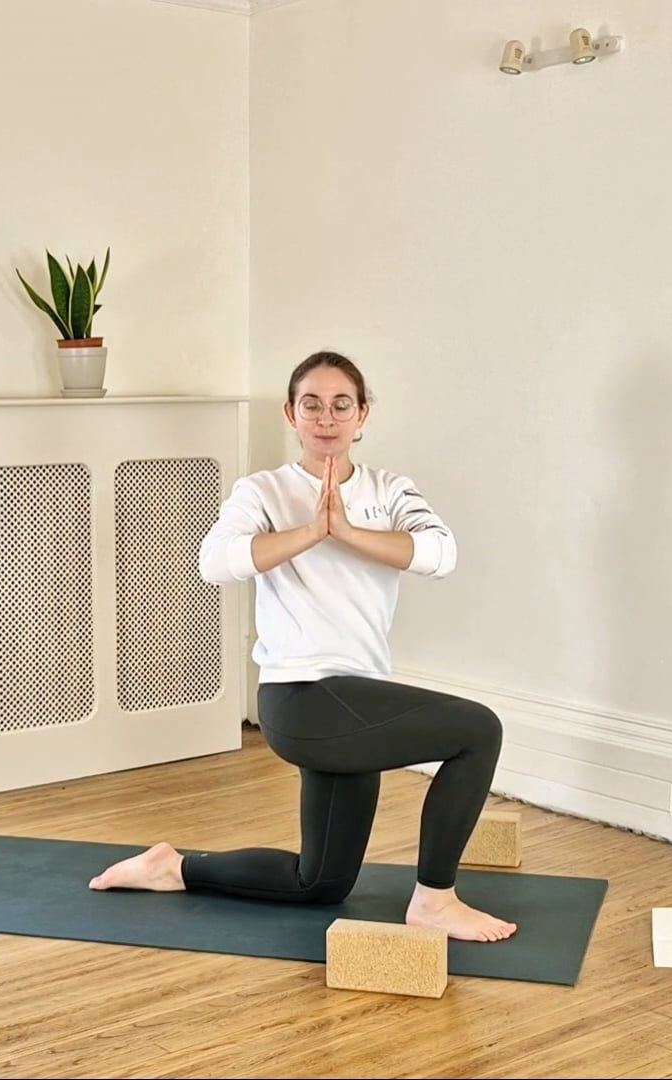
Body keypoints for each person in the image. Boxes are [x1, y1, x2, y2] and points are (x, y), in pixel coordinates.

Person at [88, 351, 517, 943]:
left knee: (318, 883)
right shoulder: (263, 491)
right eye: (311, 404)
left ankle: (172, 867)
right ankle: (435, 902)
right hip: (302, 698)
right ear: (291, 414)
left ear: (362, 415)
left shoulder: (391, 490)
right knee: (478, 730)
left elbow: (440, 554)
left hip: (357, 704)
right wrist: (312, 531)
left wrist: (348, 531)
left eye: (341, 404)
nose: (326, 417)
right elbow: (215, 562)